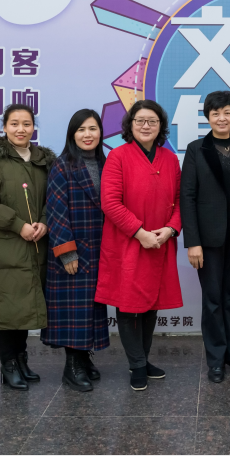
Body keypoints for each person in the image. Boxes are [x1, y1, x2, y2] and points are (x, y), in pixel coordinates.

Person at [98, 100, 183, 391]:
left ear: (161, 127)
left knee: (151, 303)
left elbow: (181, 200)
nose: (146, 126)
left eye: (152, 121)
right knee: (129, 304)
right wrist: (139, 232)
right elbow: (110, 202)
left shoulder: (170, 159)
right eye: (140, 121)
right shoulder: (118, 156)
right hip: (129, 242)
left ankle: (143, 360)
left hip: (161, 241)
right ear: (130, 125)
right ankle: (136, 364)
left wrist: (171, 229)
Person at [0, 104, 54, 390]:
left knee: (24, 306)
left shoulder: (43, 161)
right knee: (7, 305)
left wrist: (45, 221)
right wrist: (18, 224)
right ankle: (8, 365)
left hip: (38, 244)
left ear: (34, 128)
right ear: (4, 127)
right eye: (15, 124)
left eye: (27, 124)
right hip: (7, 245)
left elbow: (54, 197)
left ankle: (21, 360)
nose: (21, 129)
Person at [180, 90, 230, 384]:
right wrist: (193, 242)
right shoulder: (196, 149)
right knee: (212, 298)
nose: (222, 118)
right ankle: (216, 360)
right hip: (208, 238)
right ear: (208, 117)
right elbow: (187, 196)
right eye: (216, 113)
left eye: (227, 113)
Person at [44, 109, 111, 393]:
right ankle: (72, 367)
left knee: (91, 307)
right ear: (72, 135)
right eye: (81, 129)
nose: (87, 134)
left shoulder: (107, 164)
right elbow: (56, 211)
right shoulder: (62, 166)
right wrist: (67, 252)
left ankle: (84, 359)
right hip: (73, 250)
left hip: (100, 249)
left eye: (93, 129)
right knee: (73, 310)